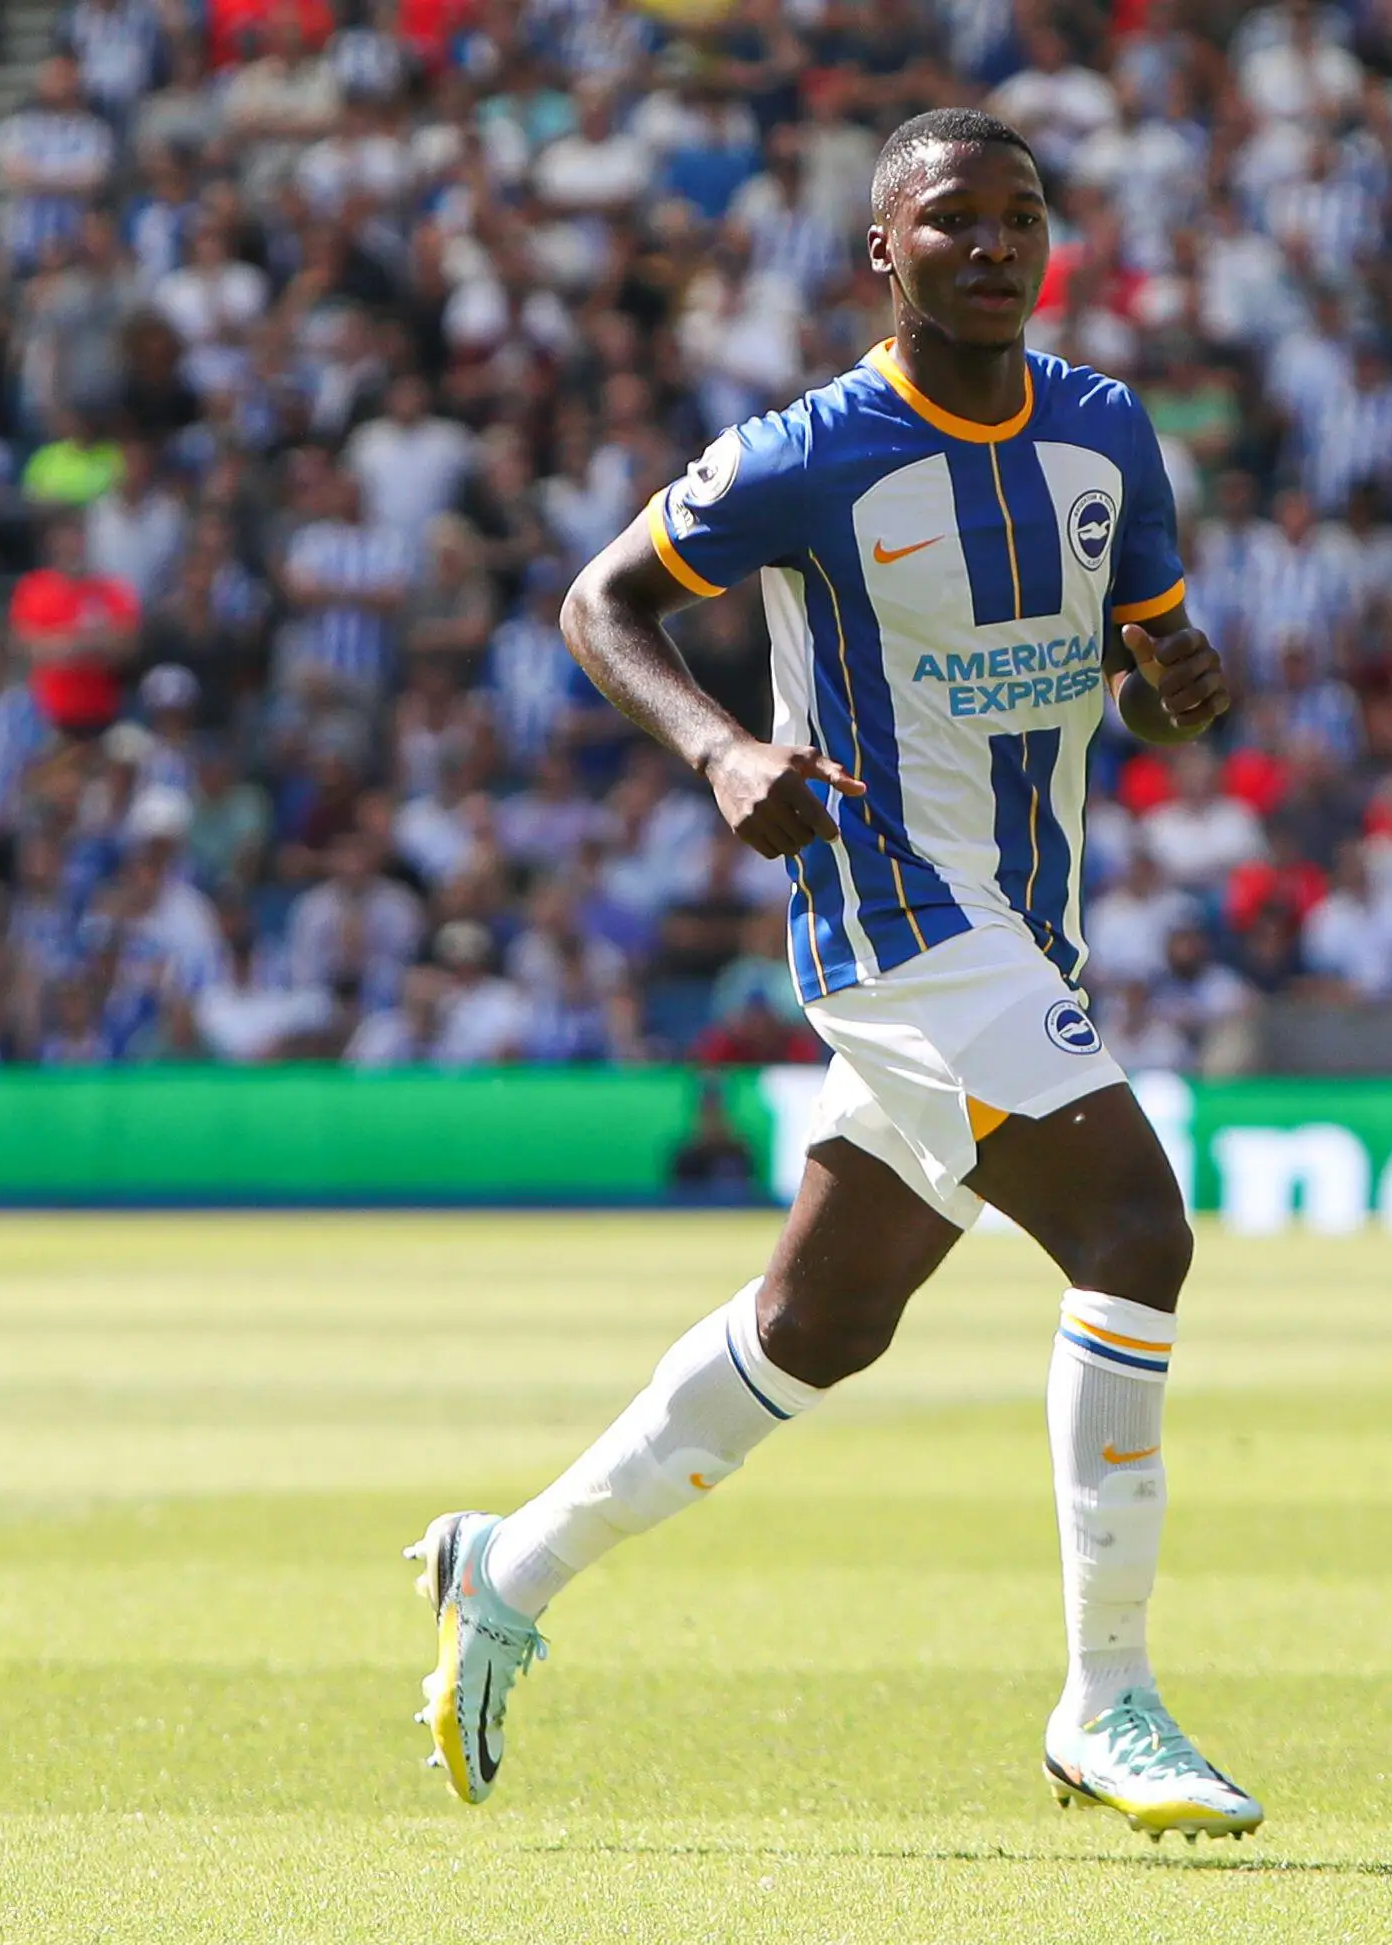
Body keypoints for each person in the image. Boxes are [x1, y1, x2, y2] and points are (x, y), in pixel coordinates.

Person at [409, 110, 1261, 1841]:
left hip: (1023, 920)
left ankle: (512, 1564)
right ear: (885, 252)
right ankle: (1109, 1699)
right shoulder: (813, 451)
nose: (996, 246)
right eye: (954, 221)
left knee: (821, 1325)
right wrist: (725, 752)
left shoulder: (1105, 432)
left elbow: (1156, 661)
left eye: (1023, 217)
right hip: (888, 916)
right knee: (1134, 1232)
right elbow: (600, 604)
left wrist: (1179, 684)